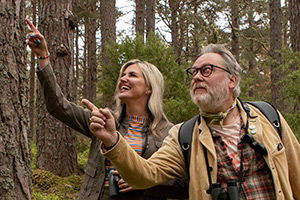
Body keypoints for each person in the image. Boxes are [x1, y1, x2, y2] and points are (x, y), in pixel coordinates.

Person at [84, 43, 300, 200]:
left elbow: (297, 177)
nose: (197, 77)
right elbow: (145, 175)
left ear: (232, 80)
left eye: (206, 70)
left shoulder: (268, 117)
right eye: (194, 72)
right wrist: (113, 140)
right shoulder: (183, 135)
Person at [25, 19, 188, 200]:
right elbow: (58, 106)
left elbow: (184, 186)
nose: (123, 79)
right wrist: (43, 56)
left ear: (149, 87)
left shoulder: (170, 132)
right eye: (122, 75)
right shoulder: (103, 122)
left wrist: (146, 182)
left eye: (132, 75)